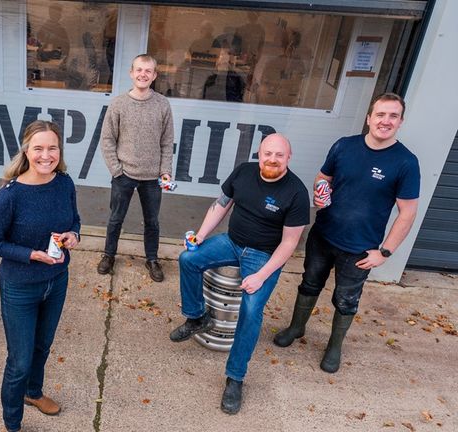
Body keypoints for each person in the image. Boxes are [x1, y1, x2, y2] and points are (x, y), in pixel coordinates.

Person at [273, 93, 420, 373]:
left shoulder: (406, 162)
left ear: (401, 121)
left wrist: (385, 252)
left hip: (360, 249)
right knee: (309, 284)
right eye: (380, 114)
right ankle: (296, 328)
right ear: (369, 118)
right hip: (322, 235)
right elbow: (323, 178)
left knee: (346, 299)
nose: (385, 121)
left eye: (393, 116)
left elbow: (408, 212)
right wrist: (320, 193)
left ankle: (334, 346)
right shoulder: (344, 146)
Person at [170, 133, 309, 414]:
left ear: (289, 157)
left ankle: (235, 377)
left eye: (279, 155)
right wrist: (200, 236)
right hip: (231, 242)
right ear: (259, 153)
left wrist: (261, 275)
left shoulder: (296, 192)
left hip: (263, 256)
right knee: (188, 259)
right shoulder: (244, 171)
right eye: (267, 153)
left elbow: (289, 244)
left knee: (252, 309)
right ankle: (197, 317)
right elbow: (221, 205)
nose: (272, 159)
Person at [0, 120, 81, 432]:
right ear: (26, 150)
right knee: (20, 360)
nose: (46, 155)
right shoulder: (9, 196)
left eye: (52, 148)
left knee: (43, 346)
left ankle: (33, 393)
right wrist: (31, 254)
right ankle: (12, 423)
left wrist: (73, 235)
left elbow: (75, 220)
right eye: (38, 148)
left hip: (57, 280)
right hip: (20, 287)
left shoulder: (64, 183)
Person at [97, 54, 174, 282]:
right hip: (124, 174)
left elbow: (167, 141)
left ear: (154, 75)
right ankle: (109, 255)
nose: (143, 74)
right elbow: (107, 139)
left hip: (153, 177)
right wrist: (116, 170)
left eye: (148, 71)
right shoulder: (119, 104)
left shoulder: (162, 104)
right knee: (115, 219)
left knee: (152, 222)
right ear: (131, 73)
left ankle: (152, 259)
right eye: (139, 70)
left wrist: (165, 171)